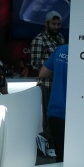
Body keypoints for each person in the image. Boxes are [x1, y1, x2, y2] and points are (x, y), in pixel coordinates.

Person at [30, 11, 65, 157]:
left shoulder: (61, 38)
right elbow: (35, 63)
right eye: (53, 24)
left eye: (58, 24)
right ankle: (48, 143)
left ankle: (55, 143)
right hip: (47, 85)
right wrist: (54, 66)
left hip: (61, 83)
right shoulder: (39, 40)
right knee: (49, 115)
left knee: (60, 116)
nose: (56, 27)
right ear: (46, 24)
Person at [38, 44, 69, 163]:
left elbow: (43, 73)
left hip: (56, 109)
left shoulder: (61, 50)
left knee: (61, 158)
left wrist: (60, 73)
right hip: (79, 113)